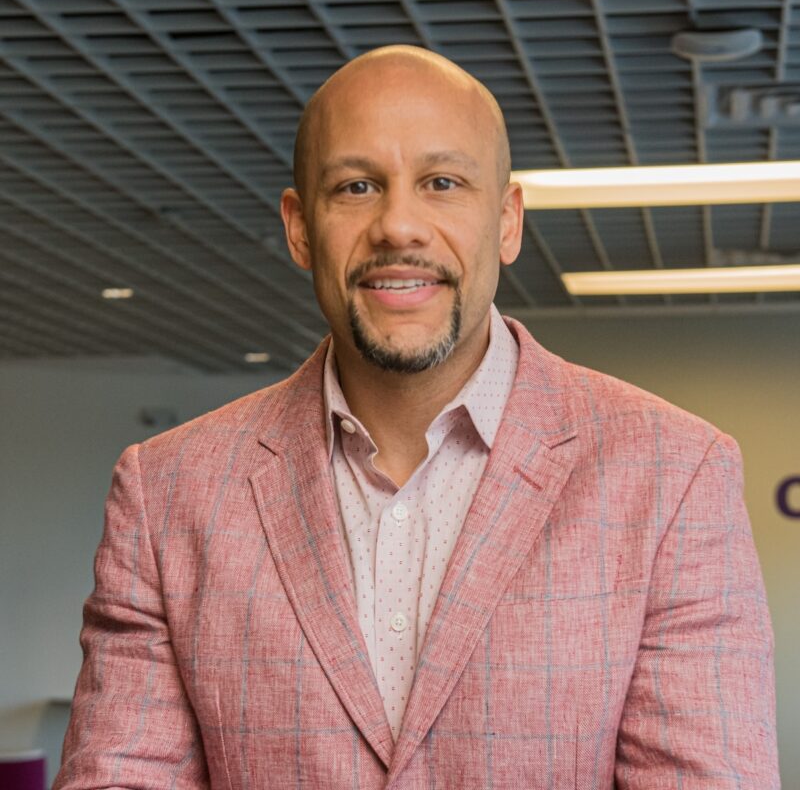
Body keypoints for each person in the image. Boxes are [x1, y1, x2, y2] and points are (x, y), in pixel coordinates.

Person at [54, 46, 779, 789]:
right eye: (358, 185)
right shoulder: (168, 491)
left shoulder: (672, 473)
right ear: (301, 227)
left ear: (506, 220)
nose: (399, 225)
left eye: (442, 182)